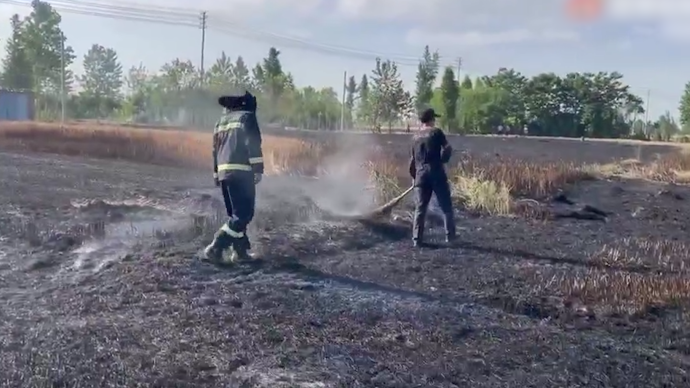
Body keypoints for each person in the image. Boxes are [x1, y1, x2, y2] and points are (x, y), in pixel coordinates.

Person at [203, 91, 264, 264]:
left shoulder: (220, 122)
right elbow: (253, 144)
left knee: (235, 215)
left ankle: (240, 252)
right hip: (241, 171)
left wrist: (216, 174)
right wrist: (258, 168)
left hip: (224, 173)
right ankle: (216, 246)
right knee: (243, 215)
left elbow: (215, 150)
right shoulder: (247, 117)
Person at [408, 108, 456, 247]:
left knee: (420, 208)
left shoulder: (415, 137)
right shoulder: (436, 132)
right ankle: (450, 236)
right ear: (431, 119)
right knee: (446, 205)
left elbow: (412, 161)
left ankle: (417, 239)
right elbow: (447, 148)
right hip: (436, 172)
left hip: (421, 174)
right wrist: (442, 160)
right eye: (434, 118)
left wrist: (415, 177)